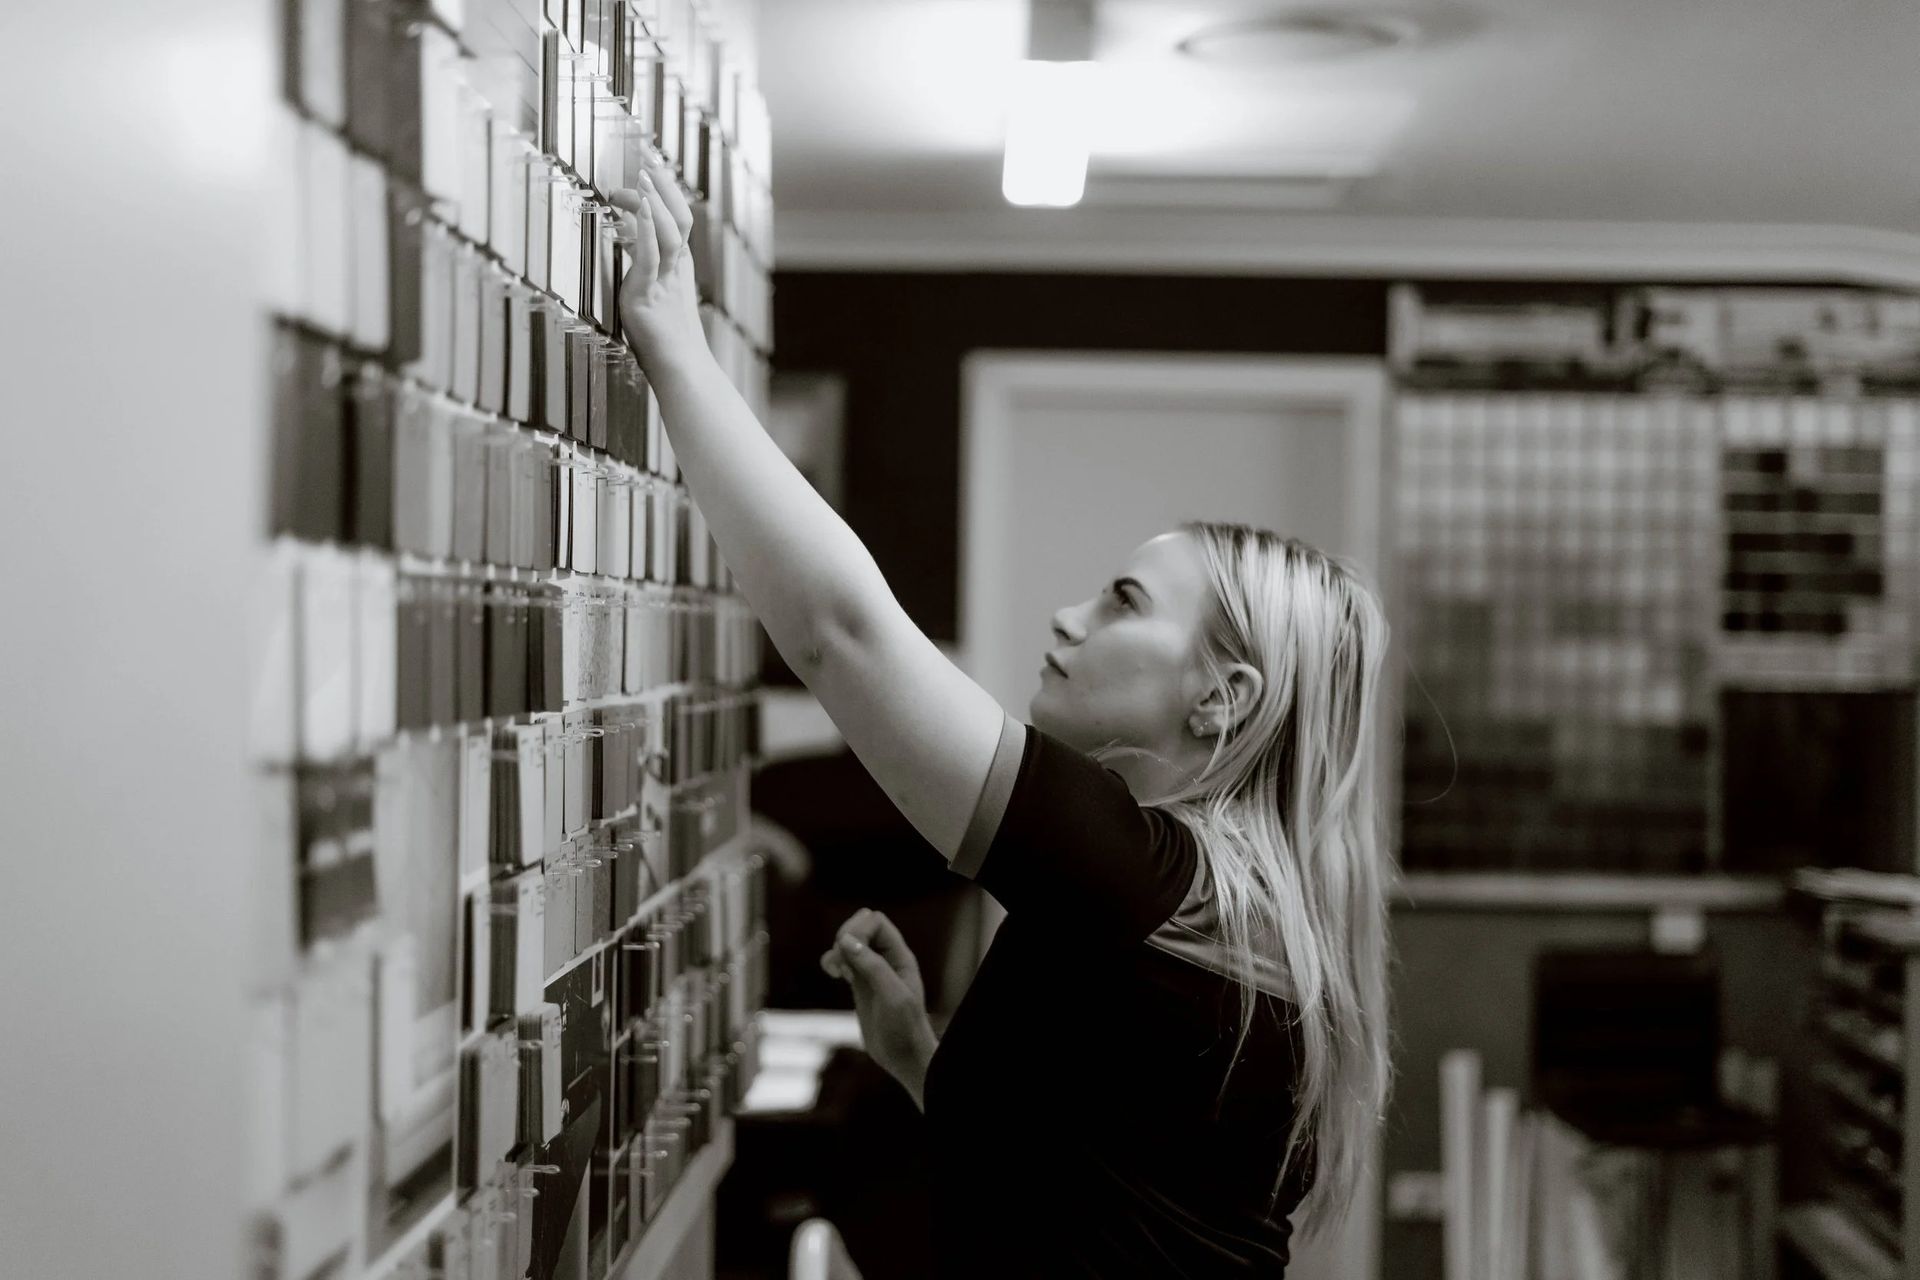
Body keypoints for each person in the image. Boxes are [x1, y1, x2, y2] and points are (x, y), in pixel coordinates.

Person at [608, 160, 1392, 1278]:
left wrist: (672, 344)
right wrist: (923, 1054)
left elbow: (843, 631)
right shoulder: (1209, 910)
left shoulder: (1142, 873)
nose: (1069, 617)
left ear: (1223, 697)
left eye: (1123, 602)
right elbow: (1094, 1184)